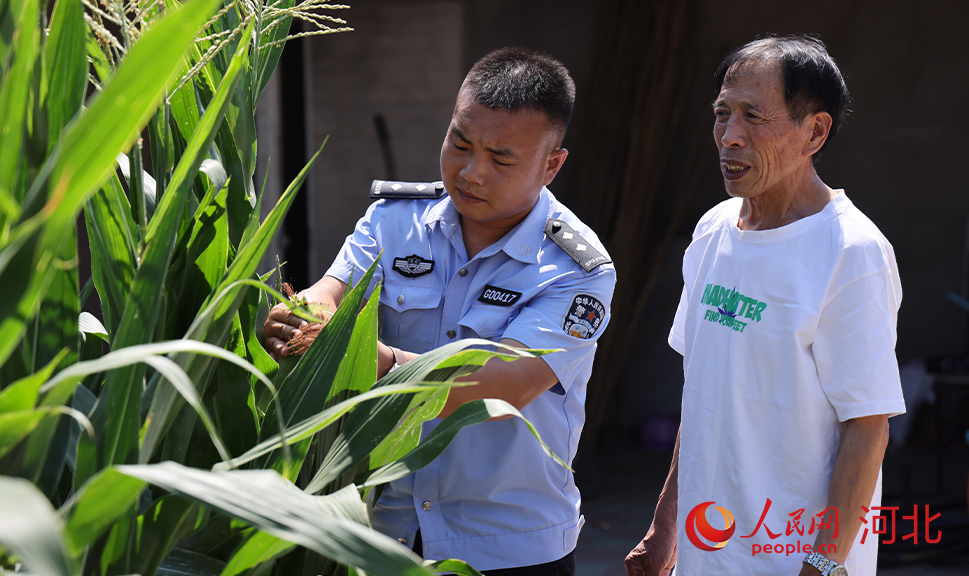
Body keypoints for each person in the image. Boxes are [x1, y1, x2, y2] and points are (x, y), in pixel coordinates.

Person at [263, 47, 615, 574]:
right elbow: (329, 291)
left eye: (500, 159)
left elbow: (504, 384)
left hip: (506, 548)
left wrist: (372, 360)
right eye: (459, 142)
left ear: (552, 165)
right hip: (383, 531)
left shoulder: (575, 269)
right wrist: (300, 319)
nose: (471, 172)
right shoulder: (393, 220)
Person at [624, 35, 904, 576]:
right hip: (707, 556)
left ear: (814, 132)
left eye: (754, 116)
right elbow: (703, 398)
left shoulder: (852, 252)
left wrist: (821, 565)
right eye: (722, 114)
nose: (730, 136)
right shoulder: (711, 232)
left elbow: (867, 428)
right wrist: (666, 529)